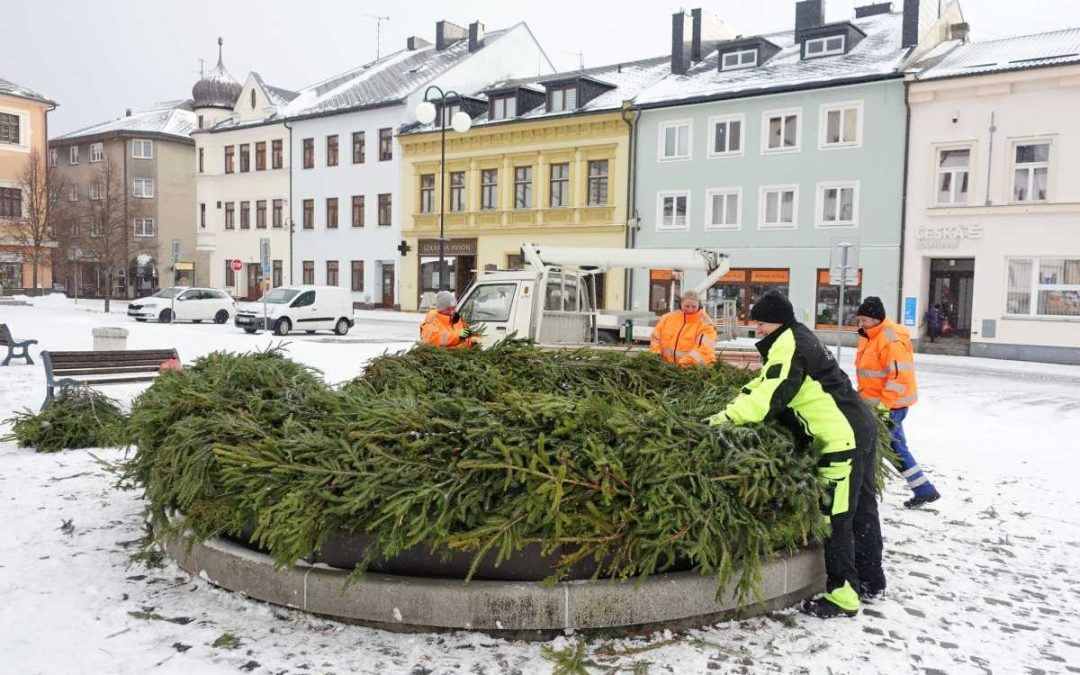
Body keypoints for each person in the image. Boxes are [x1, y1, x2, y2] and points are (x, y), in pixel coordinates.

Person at [707, 290, 883, 618]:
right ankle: (872, 580)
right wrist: (737, 399)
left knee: (837, 518)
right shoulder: (792, 337)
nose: (756, 329)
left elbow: (770, 396)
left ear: (776, 321)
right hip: (858, 426)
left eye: (760, 323)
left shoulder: (789, 344)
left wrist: (723, 420)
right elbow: (765, 382)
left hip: (841, 438)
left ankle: (844, 596)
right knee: (862, 510)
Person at [855, 296, 941, 509]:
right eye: (859, 319)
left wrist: (884, 406)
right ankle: (923, 489)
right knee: (895, 446)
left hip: (890, 405)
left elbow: (898, 377)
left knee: (891, 447)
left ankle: (923, 490)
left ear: (876, 319)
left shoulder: (890, 339)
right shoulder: (869, 335)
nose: (860, 324)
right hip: (875, 403)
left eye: (864, 320)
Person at [649, 290, 717, 367]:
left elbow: (705, 349)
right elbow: (655, 339)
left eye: (694, 307)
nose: (690, 310)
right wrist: (656, 355)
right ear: (680, 305)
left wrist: (686, 363)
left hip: (692, 369)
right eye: (687, 306)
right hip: (665, 367)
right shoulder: (667, 318)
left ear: (699, 306)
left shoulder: (706, 324)